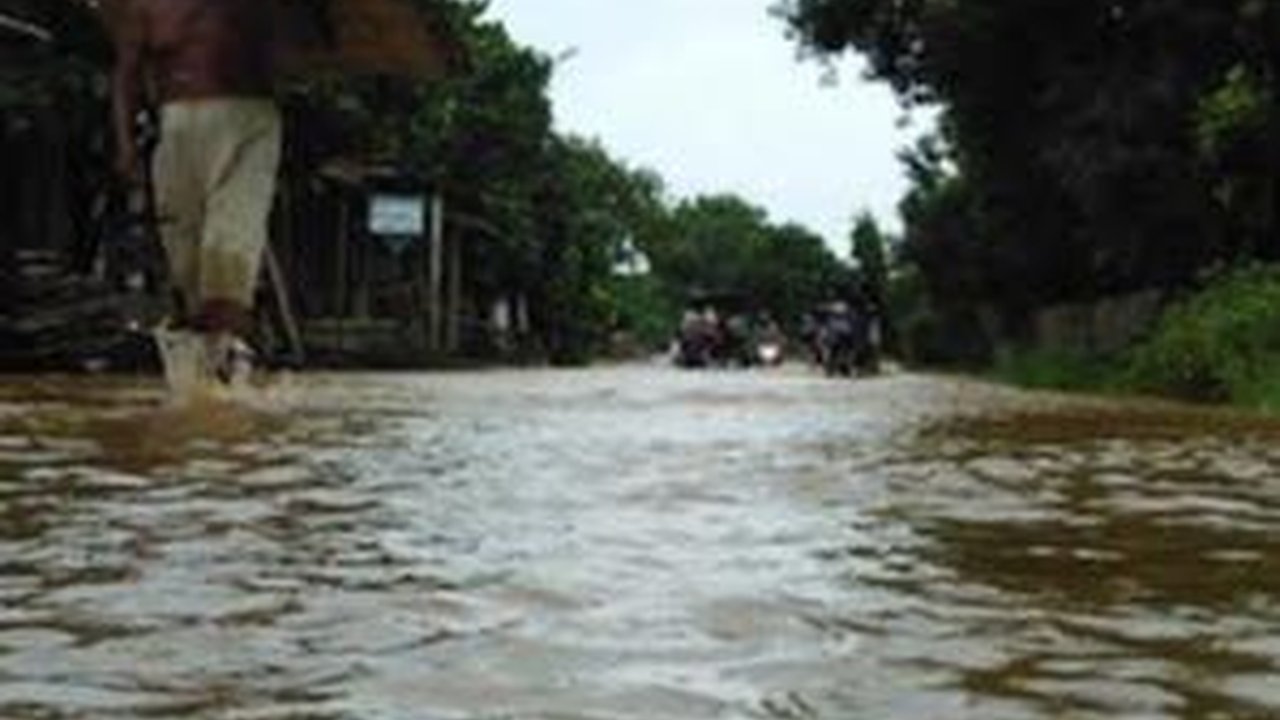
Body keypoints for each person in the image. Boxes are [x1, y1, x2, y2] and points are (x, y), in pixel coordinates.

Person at [113, 0, 281, 385]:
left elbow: (300, 42)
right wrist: (125, 146)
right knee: (187, 269)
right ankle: (207, 382)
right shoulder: (141, 7)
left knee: (228, 252)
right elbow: (126, 74)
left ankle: (230, 374)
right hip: (177, 128)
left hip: (249, 121)